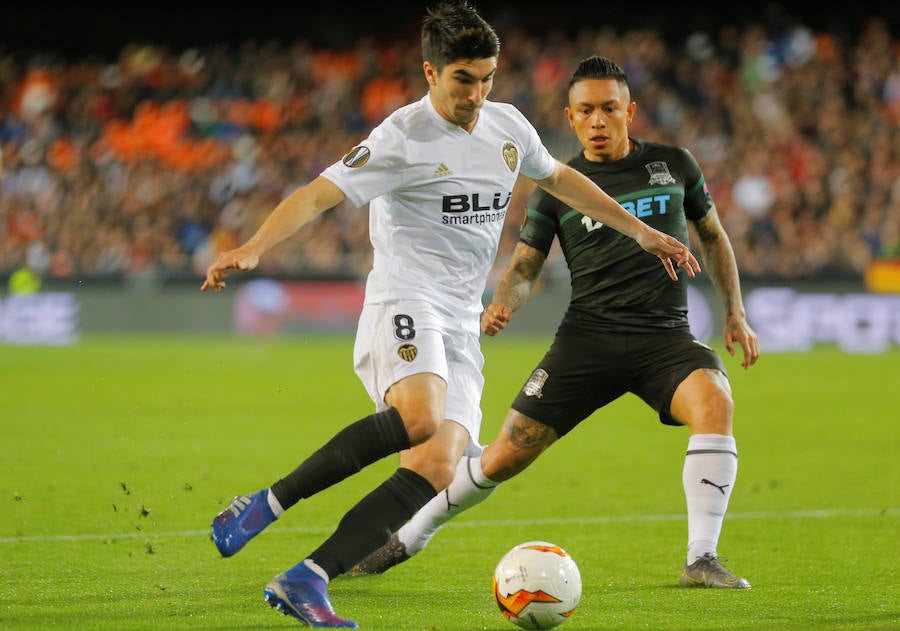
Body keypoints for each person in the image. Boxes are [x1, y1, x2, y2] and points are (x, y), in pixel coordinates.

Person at [202, 7, 699, 626]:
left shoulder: (507, 127)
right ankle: (264, 505)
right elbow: (319, 193)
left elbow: (562, 179)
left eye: (488, 78)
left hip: (461, 319)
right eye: (464, 79)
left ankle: (308, 578)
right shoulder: (401, 137)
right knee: (420, 417)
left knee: (438, 466)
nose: (477, 94)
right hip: (404, 299)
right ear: (431, 72)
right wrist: (254, 245)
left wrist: (641, 232)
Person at [350, 55, 759, 589]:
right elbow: (525, 265)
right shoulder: (558, 186)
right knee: (500, 458)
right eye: (585, 110)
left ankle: (700, 558)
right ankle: (408, 537)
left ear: (629, 111)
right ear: (570, 118)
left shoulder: (675, 164)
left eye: (609, 108)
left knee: (716, 403)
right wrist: (504, 303)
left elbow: (713, 234)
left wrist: (735, 311)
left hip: (666, 338)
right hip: (587, 341)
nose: (597, 120)